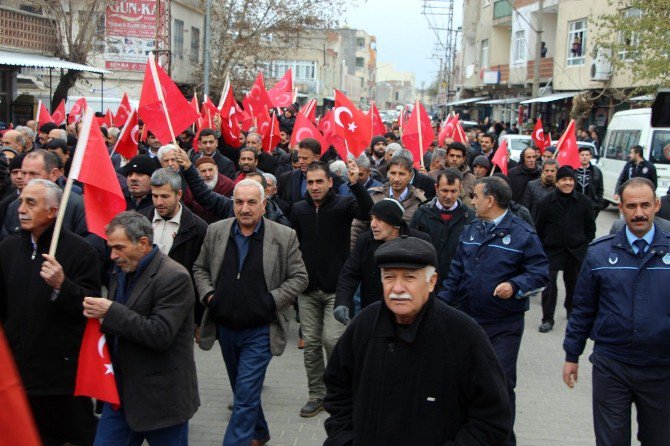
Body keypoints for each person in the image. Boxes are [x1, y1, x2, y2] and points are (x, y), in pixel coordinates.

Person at [324, 237, 513, 445]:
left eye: (409, 278)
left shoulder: (463, 335)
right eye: (389, 277)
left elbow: (492, 418)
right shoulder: (364, 326)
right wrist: (344, 439)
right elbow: (337, 389)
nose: (397, 288)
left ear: (431, 282)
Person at [193, 179, 308, 445]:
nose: (244, 209)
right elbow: (199, 268)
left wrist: (271, 300)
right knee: (241, 388)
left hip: (261, 330)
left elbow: (300, 277)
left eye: (251, 202)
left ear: (264, 205)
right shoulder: (216, 231)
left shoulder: (283, 236)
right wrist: (209, 295)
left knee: (243, 397)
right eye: (239, 202)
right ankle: (259, 431)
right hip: (225, 327)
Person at [438, 176, 549, 446]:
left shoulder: (522, 233)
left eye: (475, 196)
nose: (471, 201)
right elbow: (455, 272)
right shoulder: (472, 229)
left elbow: (540, 272)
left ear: (490, 200)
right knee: (467, 381)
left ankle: (502, 438)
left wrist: (515, 285)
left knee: (500, 382)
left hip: (504, 325)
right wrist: (439, 306)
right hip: (469, 320)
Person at [563, 177, 670, 446]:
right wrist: (571, 354)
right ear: (620, 207)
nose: (639, 213)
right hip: (612, 364)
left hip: (662, 368)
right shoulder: (599, 254)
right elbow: (584, 308)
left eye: (646, 205)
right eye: (631, 206)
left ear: (657, 205)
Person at [83, 211, 199, 445]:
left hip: (162, 401)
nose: (113, 255)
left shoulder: (174, 277)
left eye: (119, 247)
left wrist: (110, 312)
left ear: (143, 243)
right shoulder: (122, 269)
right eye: (110, 248)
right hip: (121, 396)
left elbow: (160, 334)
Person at [0, 179, 100, 446]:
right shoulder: (8, 248)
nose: (21, 208)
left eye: (31, 203)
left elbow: (91, 304)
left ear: (52, 211)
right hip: (18, 370)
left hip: (60, 376)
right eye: (21, 201)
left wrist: (62, 286)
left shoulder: (80, 251)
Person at [290, 161, 373, 418]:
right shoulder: (299, 209)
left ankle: (340, 391)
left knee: (333, 340)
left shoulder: (343, 205)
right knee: (312, 344)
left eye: (319, 181)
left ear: (329, 182)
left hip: (337, 289)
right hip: (307, 289)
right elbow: (294, 243)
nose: (314, 186)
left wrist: (356, 184)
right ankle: (317, 394)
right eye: (310, 182)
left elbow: (368, 212)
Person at [334, 198, 431, 324]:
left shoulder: (419, 241)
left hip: (410, 312)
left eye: (379, 219)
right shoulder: (365, 241)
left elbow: (430, 279)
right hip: (373, 311)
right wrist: (342, 302)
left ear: (395, 223)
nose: (373, 224)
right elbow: (349, 273)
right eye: (372, 219)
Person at [139, 168, 208, 328]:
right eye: (154, 196)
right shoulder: (140, 221)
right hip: (143, 307)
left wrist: (199, 319)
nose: (158, 202)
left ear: (179, 195)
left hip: (179, 311)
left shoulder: (198, 229)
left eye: (165, 196)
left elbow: (201, 273)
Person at [534, 166, 596, 333]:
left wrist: (583, 244)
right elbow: (538, 228)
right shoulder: (545, 203)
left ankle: (571, 309)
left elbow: (590, 228)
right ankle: (547, 318)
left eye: (570, 180)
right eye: (564, 180)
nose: (567, 183)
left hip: (575, 251)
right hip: (551, 251)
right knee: (549, 285)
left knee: (573, 283)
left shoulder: (584, 202)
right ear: (557, 182)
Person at [410, 169, 476, 291]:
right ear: (436, 187)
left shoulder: (470, 218)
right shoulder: (421, 214)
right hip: (426, 283)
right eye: (444, 191)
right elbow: (412, 248)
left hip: (456, 286)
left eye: (453, 191)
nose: (449, 196)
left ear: (460, 188)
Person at [183, 156, 235, 223]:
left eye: (210, 170)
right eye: (203, 171)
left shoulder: (228, 185)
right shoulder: (191, 189)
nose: (207, 174)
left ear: (216, 168)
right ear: (197, 172)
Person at [575, 146, 604, 217]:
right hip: (575, 206)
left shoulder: (596, 171)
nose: (585, 157)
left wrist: (598, 205)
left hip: (591, 207)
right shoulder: (573, 171)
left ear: (590, 156)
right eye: (582, 155)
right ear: (578, 156)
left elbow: (600, 190)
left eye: (587, 155)